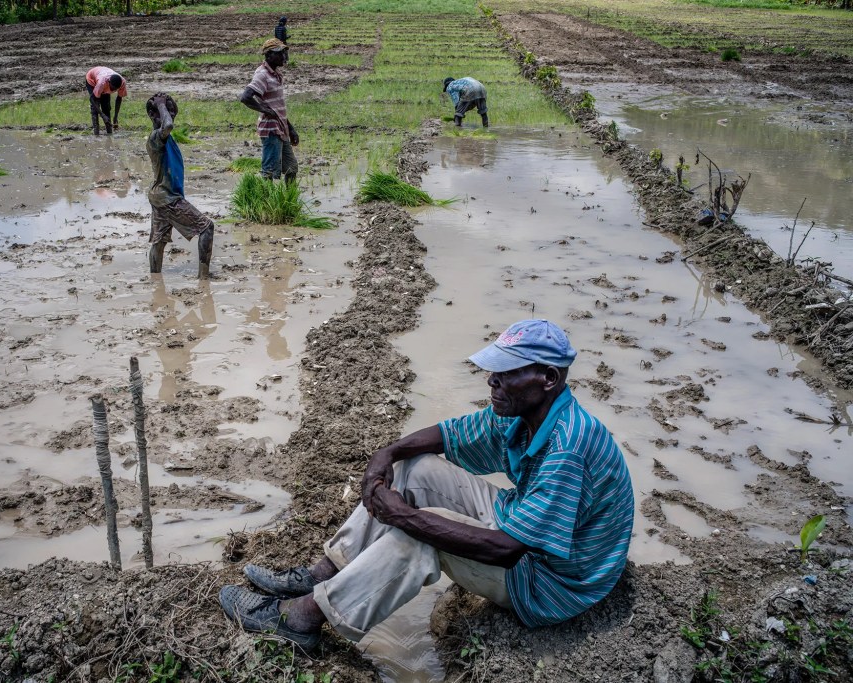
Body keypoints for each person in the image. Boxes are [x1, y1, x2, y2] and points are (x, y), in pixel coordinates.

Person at [219, 319, 634, 650]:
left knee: (421, 532)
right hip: (524, 526)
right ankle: (322, 575)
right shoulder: (526, 413)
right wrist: (387, 455)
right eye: (493, 371)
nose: (492, 381)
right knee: (413, 467)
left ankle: (301, 619)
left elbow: (508, 550)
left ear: (547, 378)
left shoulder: (568, 445)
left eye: (506, 373)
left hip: (552, 581)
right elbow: (453, 433)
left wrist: (404, 516)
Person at [145, 93, 214, 279]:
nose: (170, 114)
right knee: (207, 228)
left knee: (159, 242)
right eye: (163, 111)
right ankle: (203, 278)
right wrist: (160, 104)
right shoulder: (156, 138)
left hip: (159, 196)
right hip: (168, 198)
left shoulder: (166, 139)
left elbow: (172, 116)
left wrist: (165, 103)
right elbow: (167, 124)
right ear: (153, 115)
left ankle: (155, 279)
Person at [239, 39, 299, 184]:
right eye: (280, 54)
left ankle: (289, 200)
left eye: (284, 53)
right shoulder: (262, 74)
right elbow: (246, 97)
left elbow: (278, 106)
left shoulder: (275, 74)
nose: (284, 57)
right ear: (269, 55)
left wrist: (290, 129)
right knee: (269, 172)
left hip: (281, 128)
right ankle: (267, 202)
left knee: (291, 168)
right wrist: (265, 110)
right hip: (271, 130)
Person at [85, 66, 127, 135]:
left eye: (115, 89)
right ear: (109, 82)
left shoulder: (122, 83)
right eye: (112, 88)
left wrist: (115, 117)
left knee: (106, 108)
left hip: (103, 83)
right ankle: (96, 133)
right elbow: (92, 99)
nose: (113, 90)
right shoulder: (102, 82)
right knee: (95, 108)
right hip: (92, 80)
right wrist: (102, 115)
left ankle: (109, 133)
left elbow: (119, 99)